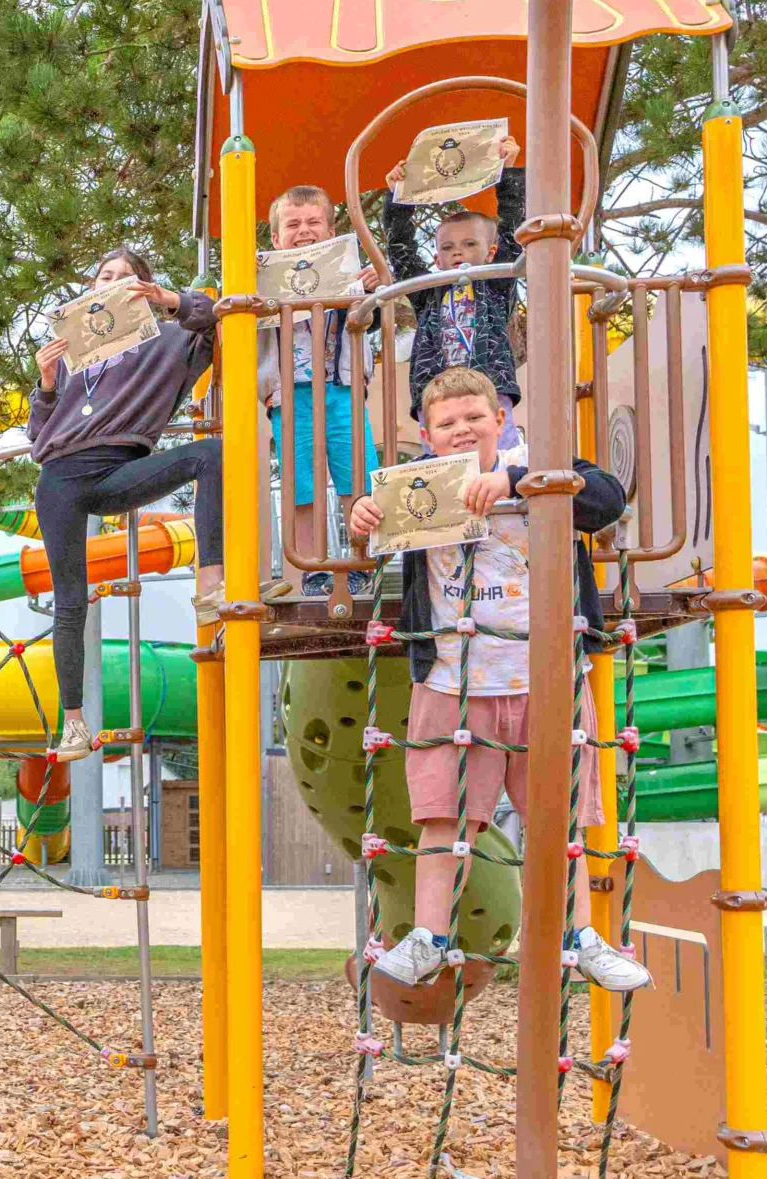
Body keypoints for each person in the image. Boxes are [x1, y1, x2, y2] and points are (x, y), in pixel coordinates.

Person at [345, 368, 648, 994]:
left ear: (500, 419)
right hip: (452, 679)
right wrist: (360, 517)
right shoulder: (416, 486)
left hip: (544, 679)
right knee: (443, 818)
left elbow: (607, 498)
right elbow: (368, 545)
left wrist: (515, 482)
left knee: (557, 821)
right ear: (427, 435)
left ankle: (581, 937)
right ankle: (428, 938)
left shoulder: (540, 470)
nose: (461, 431)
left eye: (474, 418)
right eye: (446, 423)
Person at [28, 248, 226, 761]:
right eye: (104, 276)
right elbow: (37, 437)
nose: (112, 282)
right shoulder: (72, 352)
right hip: (60, 477)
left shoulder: (167, 339)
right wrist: (45, 385)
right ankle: (74, 723)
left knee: (210, 454)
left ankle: (210, 583)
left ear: (141, 288)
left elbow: (216, 319)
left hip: (118, 468)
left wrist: (168, 300)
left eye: (126, 277)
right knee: (70, 601)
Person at [257, 184, 378, 597]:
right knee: (301, 483)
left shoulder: (348, 274)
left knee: (356, 475)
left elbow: (371, 320)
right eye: (293, 225)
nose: (304, 231)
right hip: (290, 392)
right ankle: (313, 567)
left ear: (331, 232)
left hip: (342, 385)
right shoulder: (264, 279)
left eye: (313, 222)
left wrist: (371, 290)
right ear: (276, 238)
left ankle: (360, 561)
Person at [382, 136, 526, 420]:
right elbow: (401, 251)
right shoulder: (428, 292)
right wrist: (398, 197)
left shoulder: (496, 282)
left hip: (490, 389)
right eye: (447, 248)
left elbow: (512, 233)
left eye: (469, 244)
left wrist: (508, 171)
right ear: (437, 260)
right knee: (443, 447)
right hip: (437, 395)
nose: (458, 251)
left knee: (496, 446)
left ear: (491, 253)